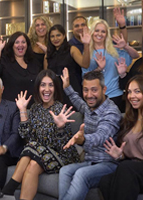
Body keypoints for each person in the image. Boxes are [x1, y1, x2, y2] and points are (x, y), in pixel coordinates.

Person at [1, 69, 80, 200]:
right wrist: (22, 111)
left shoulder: (60, 109)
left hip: (62, 156)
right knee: (32, 164)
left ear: (55, 88)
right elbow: (26, 136)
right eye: (43, 85)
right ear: (38, 88)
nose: (46, 89)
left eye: (51, 85)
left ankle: (8, 189)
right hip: (38, 155)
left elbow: (64, 146)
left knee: (32, 147)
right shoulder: (35, 109)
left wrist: (60, 128)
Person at [58, 69, 122, 200]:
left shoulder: (112, 112)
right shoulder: (89, 106)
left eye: (94, 90)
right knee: (64, 171)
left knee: (81, 174)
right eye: (85, 90)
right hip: (90, 161)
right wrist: (67, 87)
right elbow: (79, 103)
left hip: (108, 164)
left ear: (104, 90)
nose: (89, 95)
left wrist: (83, 139)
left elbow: (101, 136)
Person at [82, 19, 139, 112]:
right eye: (97, 30)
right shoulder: (87, 52)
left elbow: (135, 55)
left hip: (115, 96)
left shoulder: (114, 51)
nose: (99, 34)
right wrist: (99, 68)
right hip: (96, 98)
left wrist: (125, 46)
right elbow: (85, 77)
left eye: (103, 31)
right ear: (92, 32)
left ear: (106, 34)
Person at [0, 31, 42, 108]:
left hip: (34, 107)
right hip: (12, 109)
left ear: (27, 45)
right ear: (11, 45)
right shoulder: (5, 61)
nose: (20, 45)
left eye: (23, 42)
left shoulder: (34, 61)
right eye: (17, 42)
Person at [44, 24, 90, 108]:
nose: (55, 39)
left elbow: (85, 64)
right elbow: (45, 75)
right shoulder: (48, 53)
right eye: (52, 36)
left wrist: (86, 45)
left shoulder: (72, 49)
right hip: (55, 91)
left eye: (58, 35)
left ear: (64, 35)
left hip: (71, 88)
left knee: (74, 116)